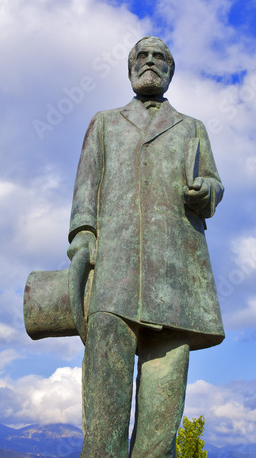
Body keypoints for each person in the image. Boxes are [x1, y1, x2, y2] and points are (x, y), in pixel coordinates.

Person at [67, 36, 225, 457]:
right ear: (130, 67)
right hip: (113, 277)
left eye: (159, 58)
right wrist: (83, 237)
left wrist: (204, 192)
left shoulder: (192, 127)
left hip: (176, 280)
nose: (150, 62)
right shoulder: (104, 122)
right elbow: (86, 189)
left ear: (170, 71)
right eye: (142, 56)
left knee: (160, 427)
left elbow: (214, 183)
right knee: (104, 413)